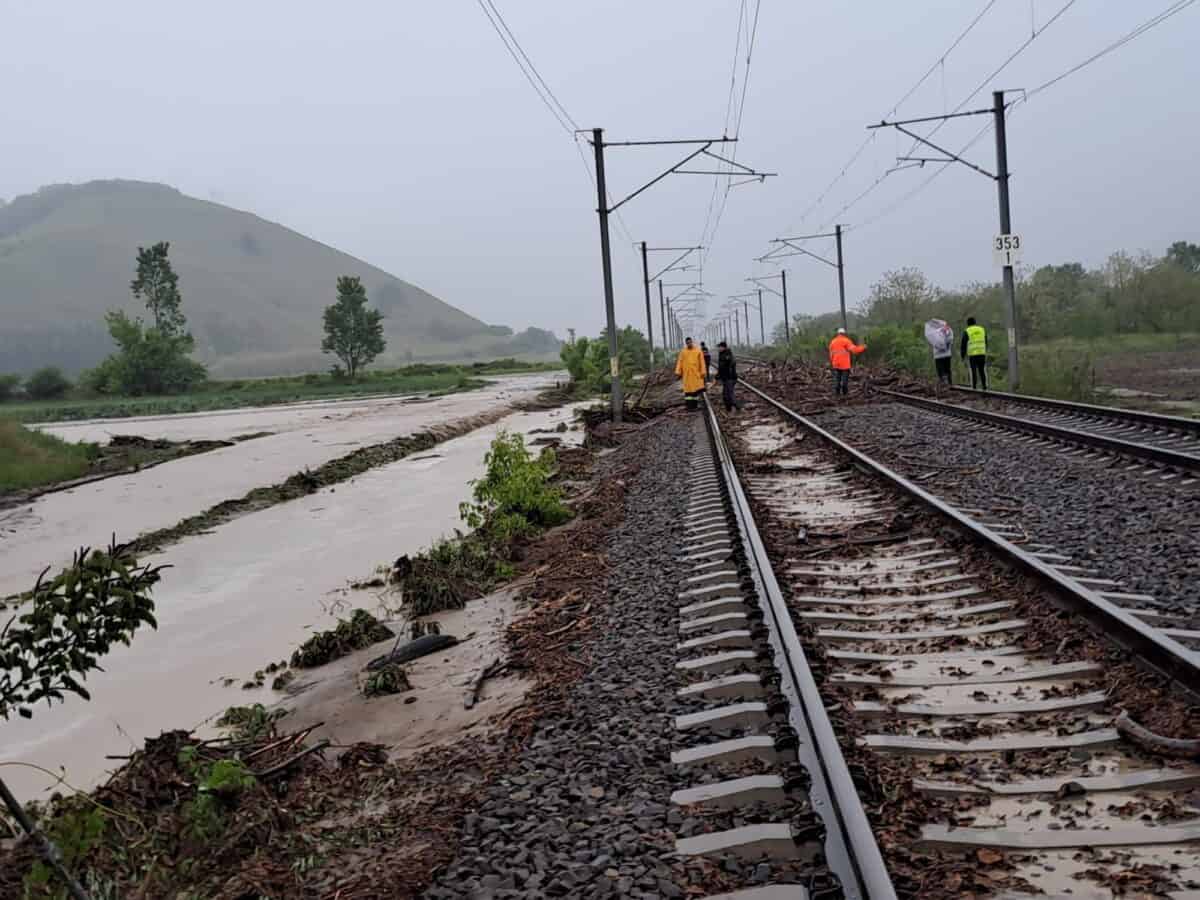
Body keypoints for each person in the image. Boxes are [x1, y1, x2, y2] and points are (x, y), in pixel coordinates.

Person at [828, 327, 866, 397]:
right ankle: (845, 396)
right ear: (844, 333)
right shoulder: (846, 341)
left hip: (836, 364)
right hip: (845, 365)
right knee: (844, 382)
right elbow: (854, 350)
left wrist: (832, 362)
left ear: (838, 333)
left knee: (837, 381)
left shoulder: (832, 342)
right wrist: (863, 347)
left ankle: (837, 395)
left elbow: (831, 354)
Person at [674, 337, 707, 410]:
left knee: (695, 391)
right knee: (688, 392)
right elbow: (680, 362)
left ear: (692, 342)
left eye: (690, 342)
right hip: (687, 375)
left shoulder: (698, 351)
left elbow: (702, 363)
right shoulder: (683, 352)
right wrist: (678, 372)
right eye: (687, 343)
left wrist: (703, 372)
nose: (689, 344)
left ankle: (694, 406)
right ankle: (689, 406)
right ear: (686, 343)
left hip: (695, 374)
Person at [924, 319, 954, 385]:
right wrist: (946, 347)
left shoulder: (934, 333)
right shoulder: (948, 330)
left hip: (938, 355)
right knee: (948, 370)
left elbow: (934, 343)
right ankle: (950, 383)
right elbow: (951, 340)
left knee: (940, 371)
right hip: (947, 354)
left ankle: (943, 383)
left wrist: (940, 347)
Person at [960, 317, 988, 390]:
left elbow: (963, 344)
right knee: (982, 370)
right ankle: (984, 386)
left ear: (968, 324)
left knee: (973, 371)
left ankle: (974, 388)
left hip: (973, 354)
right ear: (975, 322)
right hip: (982, 353)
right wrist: (985, 350)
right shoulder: (982, 329)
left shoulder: (967, 331)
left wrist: (962, 355)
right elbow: (986, 341)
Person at [715, 341, 739, 411]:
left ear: (723, 347)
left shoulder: (728, 355)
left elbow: (726, 367)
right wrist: (718, 375)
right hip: (726, 378)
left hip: (730, 377)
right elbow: (721, 367)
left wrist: (719, 375)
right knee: (726, 395)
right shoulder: (721, 354)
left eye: (719, 347)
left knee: (729, 394)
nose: (718, 348)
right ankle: (729, 409)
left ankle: (737, 407)